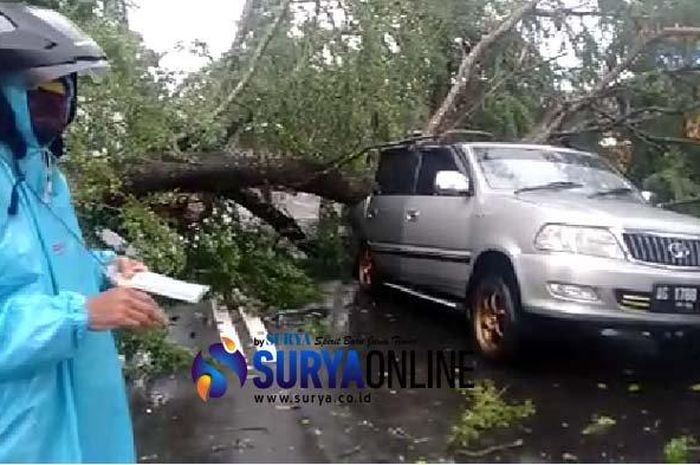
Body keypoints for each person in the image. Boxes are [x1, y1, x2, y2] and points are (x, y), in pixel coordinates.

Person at [0, 4, 166, 463]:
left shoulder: (45, 174)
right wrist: (81, 315)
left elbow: (48, 268)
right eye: (43, 89)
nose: (59, 103)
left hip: (88, 414)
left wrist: (105, 268)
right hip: (21, 433)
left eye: (66, 89)